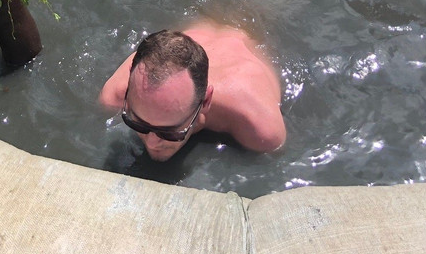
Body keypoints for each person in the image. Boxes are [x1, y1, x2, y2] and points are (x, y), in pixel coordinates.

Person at [99, 25, 286, 162]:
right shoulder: (115, 95)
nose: (152, 143)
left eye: (170, 132)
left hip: (251, 29)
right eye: (137, 123)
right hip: (203, 26)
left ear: (205, 101)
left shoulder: (259, 127)